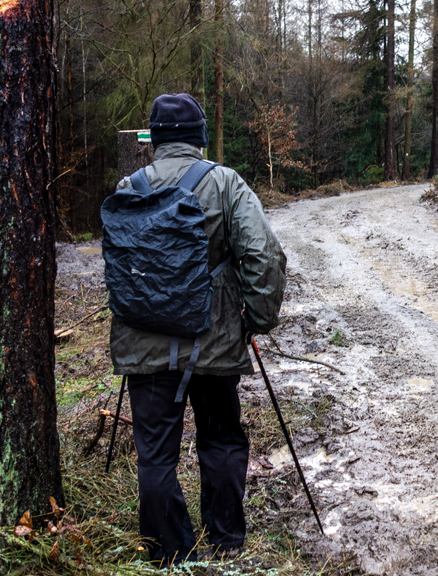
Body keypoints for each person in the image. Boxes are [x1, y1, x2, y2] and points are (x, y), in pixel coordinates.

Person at [108, 93, 287, 566]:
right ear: (200, 138)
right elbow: (264, 257)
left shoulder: (129, 185)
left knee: (155, 456)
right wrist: (256, 318)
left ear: (154, 138)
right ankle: (226, 539)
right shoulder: (226, 183)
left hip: (144, 346)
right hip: (213, 342)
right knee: (223, 440)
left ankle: (169, 553)